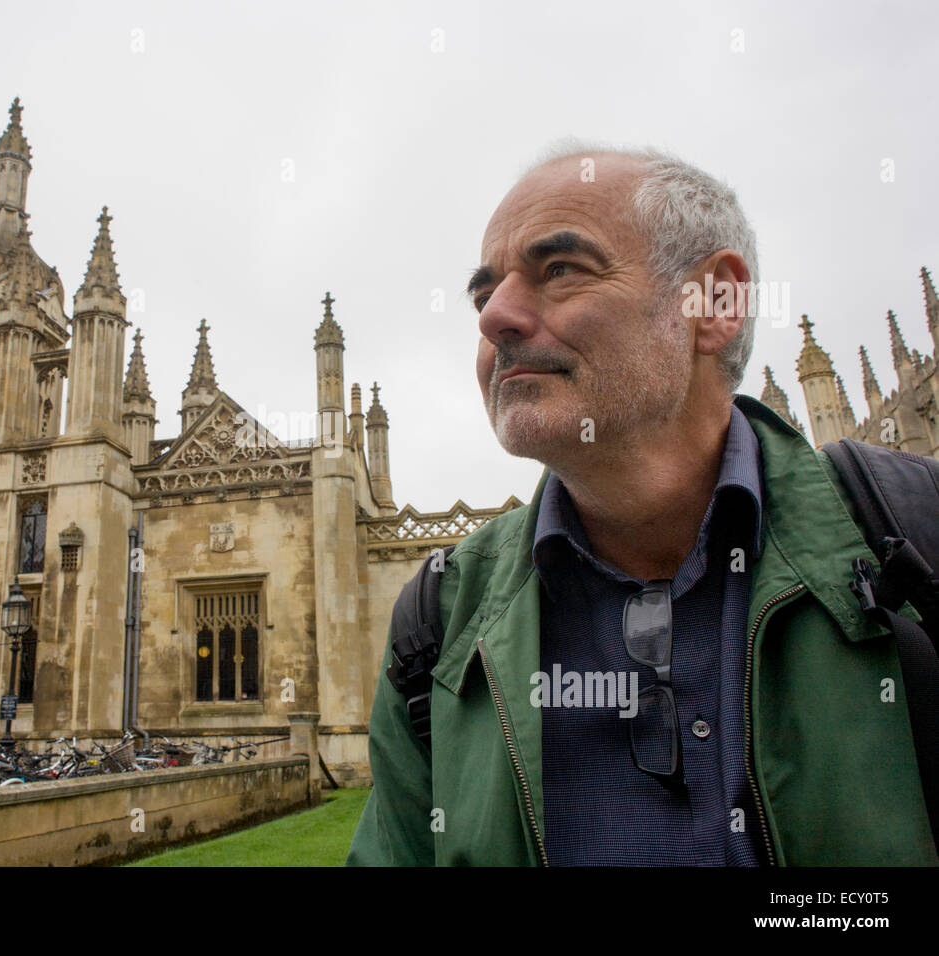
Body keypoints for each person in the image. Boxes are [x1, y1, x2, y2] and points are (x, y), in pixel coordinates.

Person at [346, 144, 936, 866]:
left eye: (560, 270)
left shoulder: (911, 540)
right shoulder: (437, 625)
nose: (494, 317)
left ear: (715, 303)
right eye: (483, 293)